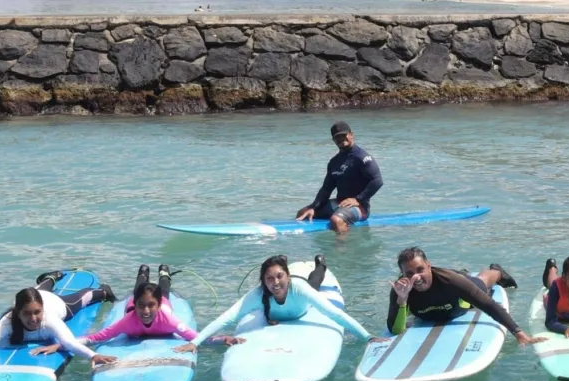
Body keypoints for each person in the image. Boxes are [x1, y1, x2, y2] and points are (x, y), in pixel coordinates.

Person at [174, 255, 386, 353]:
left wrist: (366, 337)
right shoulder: (258, 295)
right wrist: (196, 343)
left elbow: (335, 314)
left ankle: (321, 263)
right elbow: (227, 317)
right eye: (270, 278)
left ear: (287, 276)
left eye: (280, 276)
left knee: (316, 280)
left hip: (306, 287)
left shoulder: (298, 289)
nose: (275, 283)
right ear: (263, 281)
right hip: (284, 301)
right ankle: (295, 262)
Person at [0, 270, 118, 373]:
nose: (33, 319)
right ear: (18, 312)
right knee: (34, 292)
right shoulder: (9, 320)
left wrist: (93, 355)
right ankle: (52, 277)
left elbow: (69, 343)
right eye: (26, 314)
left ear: (42, 310)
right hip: (36, 298)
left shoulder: (49, 317)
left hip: (55, 303)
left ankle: (103, 291)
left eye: (37, 313)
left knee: (82, 299)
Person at [50, 264, 243, 349]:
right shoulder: (128, 321)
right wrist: (63, 344)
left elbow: (197, 338)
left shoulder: (167, 318)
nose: (146, 311)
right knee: (138, 290)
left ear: (157, 305)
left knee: (164, 290)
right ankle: (142, 273)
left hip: (164, 305)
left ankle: (164, 274)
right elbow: (97, 337)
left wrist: (223, 339)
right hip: (132, 307)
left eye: (151, 305)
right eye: (142, 306)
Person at [387, 247, 545, 345]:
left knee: (481, 283)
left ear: (429, 266)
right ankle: (467, 274)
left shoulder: (450, 281)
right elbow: (395, 330)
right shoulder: (401, 289)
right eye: (409, 273)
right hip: (439, 307)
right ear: (402, 274)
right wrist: (402, 300)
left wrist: (518, 332)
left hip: (459, 303)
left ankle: (497, 271)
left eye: (420, 269)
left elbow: (488, 305)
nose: (416, 277)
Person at [294, 121, 383, 234]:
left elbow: (377, 181)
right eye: (337, 137)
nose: (341, 139)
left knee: (336, 220)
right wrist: (313, 207)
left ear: (351, 134)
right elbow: (326, 188)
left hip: (360, 207)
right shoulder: (334, 162)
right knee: (303, 212)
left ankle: (342, 249)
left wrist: (358, 199)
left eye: (343, 135)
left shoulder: (362, 157)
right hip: (340, 203)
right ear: (333, 140)